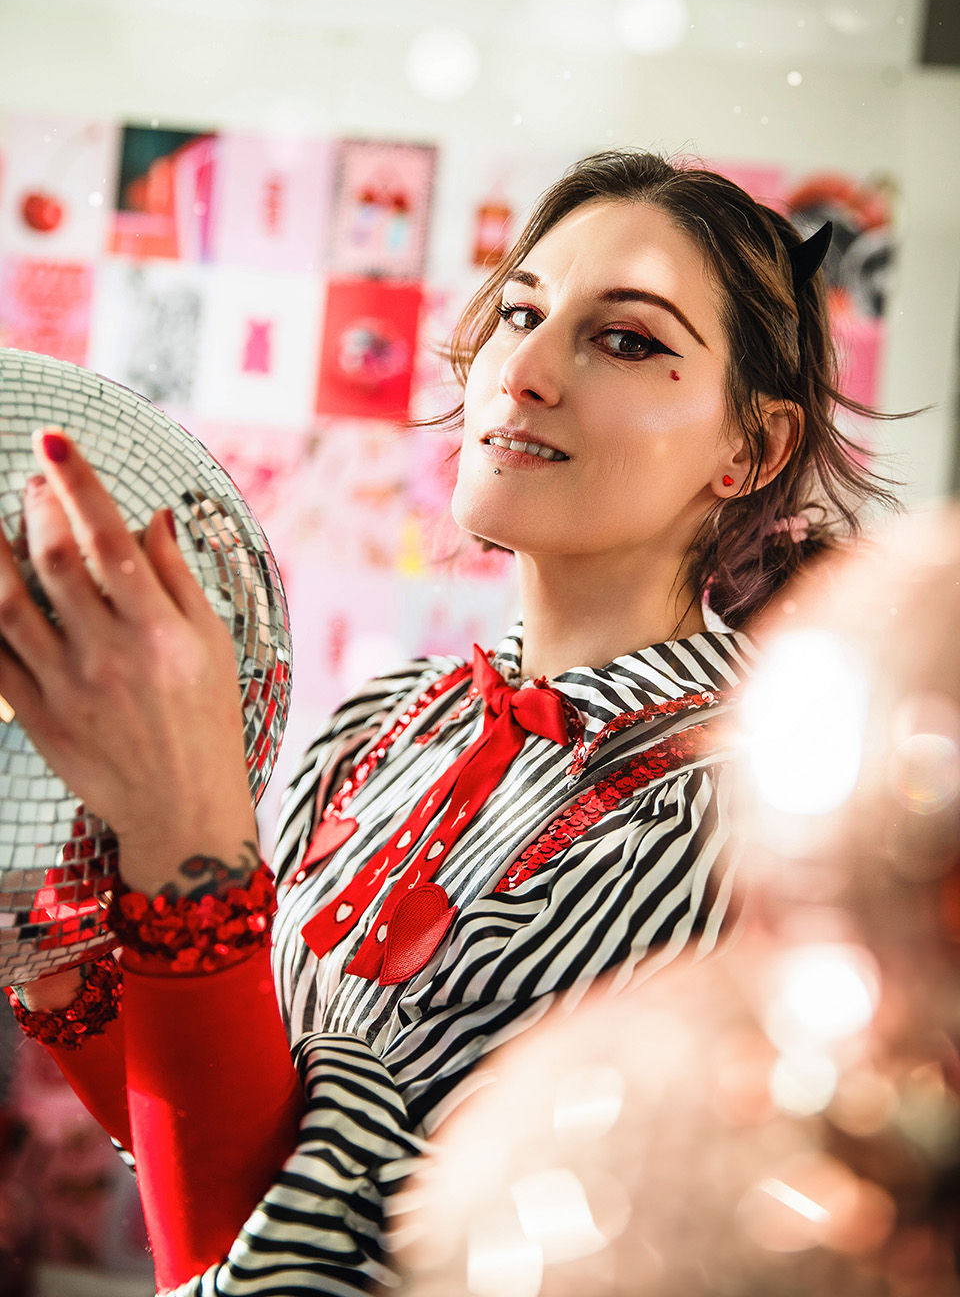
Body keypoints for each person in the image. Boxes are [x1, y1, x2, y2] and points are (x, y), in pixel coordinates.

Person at [1, 151, 898, 1294]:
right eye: (520, 313)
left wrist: (187, 835)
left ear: (752, 449)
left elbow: (345, 1265)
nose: (522, 371)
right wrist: (62, 945)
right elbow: (222, 1139)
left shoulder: (731, 819)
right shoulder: (386, 720)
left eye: (627, 340)